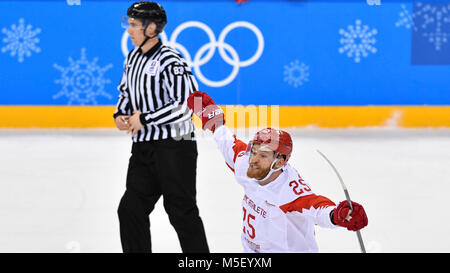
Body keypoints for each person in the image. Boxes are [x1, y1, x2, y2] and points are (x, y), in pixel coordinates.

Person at [187, 91, 368, 253]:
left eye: (263, 155)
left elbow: (317, 207)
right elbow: (228, 143)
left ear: (279, 162)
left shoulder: (289, 192)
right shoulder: (246, 163)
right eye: (254, 150)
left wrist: (338, 215)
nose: (254, 159)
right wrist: (216, 123)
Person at [113, 1, 209, 253]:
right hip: (144, 148)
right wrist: (121, 114)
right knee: (130, 209)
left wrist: (144, 118)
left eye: (134, 25)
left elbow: (187, 104)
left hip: (175, 148)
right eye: (129, 24)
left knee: (181, 212)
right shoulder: (132, 58)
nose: (129, 30)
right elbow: (126, 92)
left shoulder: (170, 60)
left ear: (152, 28)